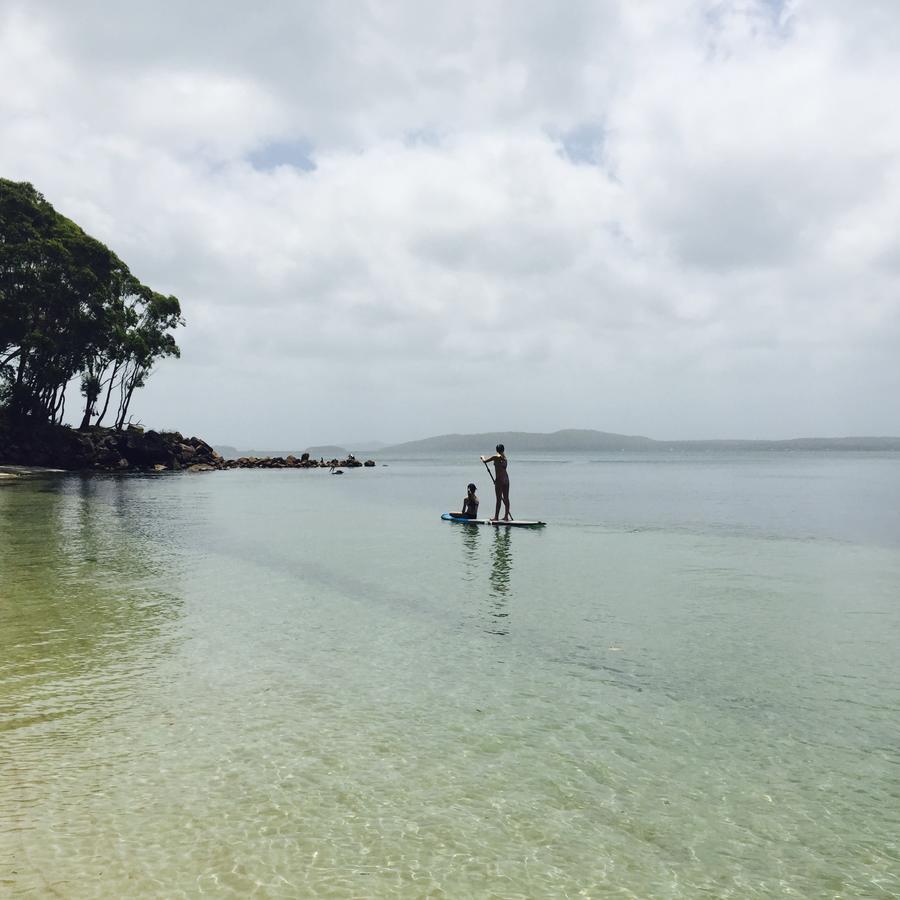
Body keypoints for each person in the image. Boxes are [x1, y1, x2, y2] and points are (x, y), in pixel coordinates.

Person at [481, 443, 511, 521]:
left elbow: (485, 461)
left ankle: (496, 517)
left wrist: (482, 457)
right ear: (503, 450)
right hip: (506, 479)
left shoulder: (495, 457)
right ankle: (506, 516)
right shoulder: (505, 458)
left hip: (499, 480)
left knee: (498, 499)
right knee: (506, 498)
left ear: (496, 450)